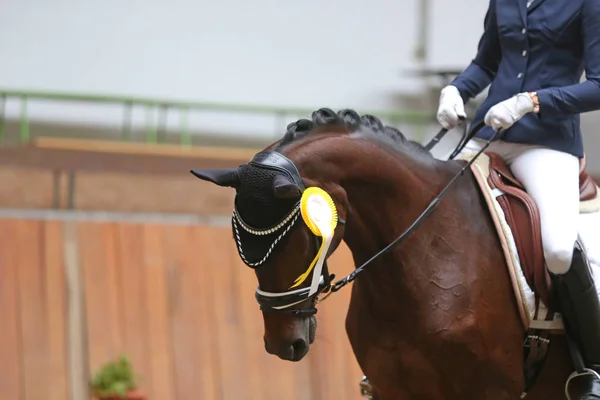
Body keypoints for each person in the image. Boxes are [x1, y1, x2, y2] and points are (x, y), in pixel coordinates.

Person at [436, 0, 600, 395]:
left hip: (546, 141)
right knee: (428, 210)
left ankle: (592, 365)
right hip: (488, 131)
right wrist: (457, 89)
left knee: (559, 249)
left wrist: (534, 101)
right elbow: (487, 62)